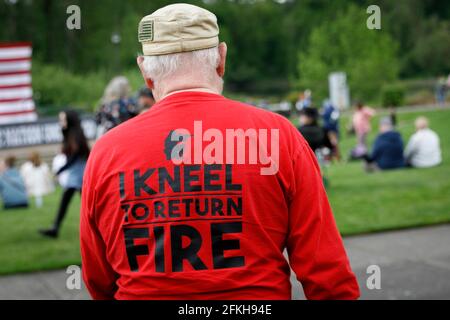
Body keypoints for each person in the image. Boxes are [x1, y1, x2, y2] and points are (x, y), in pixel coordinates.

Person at [80, 3, 359, 300]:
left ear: (145, 71)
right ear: (221, 59)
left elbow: (99, 280)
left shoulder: (107, 151)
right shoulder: (277, 136)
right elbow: (328, 276)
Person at [39, 110, 90, 238]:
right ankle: (55, 228)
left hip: (79, 173)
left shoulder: (75, 135)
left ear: (69, 120)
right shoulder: (71, 134)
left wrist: (60, 170)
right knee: (76, 201)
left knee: (86, 202)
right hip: (76, 173)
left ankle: (55, 228)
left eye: (63, 119)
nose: (61, 122)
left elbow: (75, 155)